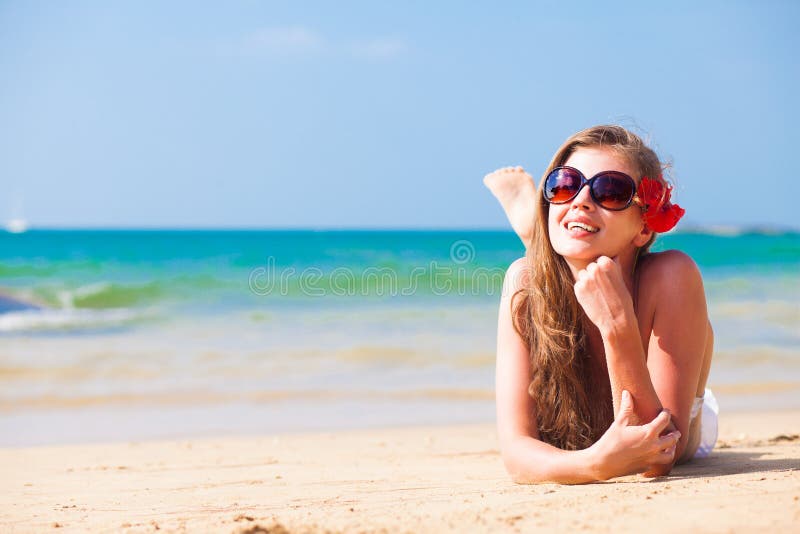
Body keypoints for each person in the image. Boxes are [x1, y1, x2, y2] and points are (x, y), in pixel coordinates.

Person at [486, 125, 716, 483]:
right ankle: (537, 235)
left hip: (684, 417)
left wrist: (618, 327)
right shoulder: (523, 283)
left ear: (643, 228)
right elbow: (516, 453)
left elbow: (659, 455)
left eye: (610, 191)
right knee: (538, 274)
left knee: (690, 427)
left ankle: (535, 234)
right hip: (586, 430)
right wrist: (595, 463)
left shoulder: (671, 276)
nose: (580, 199)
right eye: (564, 185)